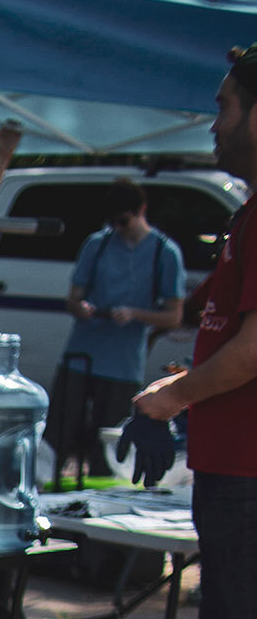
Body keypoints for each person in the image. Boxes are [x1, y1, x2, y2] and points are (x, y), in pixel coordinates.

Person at [108, 45, 257, 619]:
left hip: (250, 471)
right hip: (229, 462)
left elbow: (251, 351)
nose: (214, 120)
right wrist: (187, 383)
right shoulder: (247, 212)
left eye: (226, 105)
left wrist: (170, 397)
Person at [47, 179, 186, 474]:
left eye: (123, 220)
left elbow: (174, 316)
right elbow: (73, 299)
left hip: (123, 364)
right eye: (112, 221)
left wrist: (135, 314)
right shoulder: (98, 243)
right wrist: (82, 308)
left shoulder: (165, 252)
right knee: (57, 435)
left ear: (141, 211)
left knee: (109, 448)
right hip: (81, 355)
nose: (118, 228)